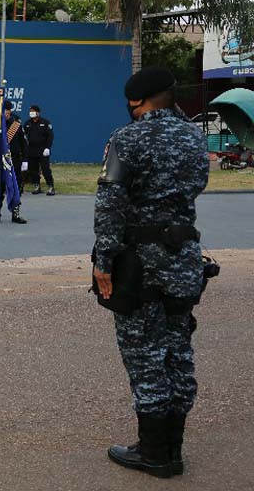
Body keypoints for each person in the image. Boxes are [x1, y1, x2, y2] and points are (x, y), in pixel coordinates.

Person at [93, 67, 208, 479]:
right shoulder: (195, 137)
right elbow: (195, 187)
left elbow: (110, 203)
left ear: (135, 101)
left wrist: (103, 259)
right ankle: (172, 449)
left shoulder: (128, 138)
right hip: (184, 258)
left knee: (145, 357)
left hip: (139, 262)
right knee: (178, 351)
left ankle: (154, 454)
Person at [0, 101, 27, 225]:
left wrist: (25, 160)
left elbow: (23, 144)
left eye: (7, 110)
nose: (5, 112)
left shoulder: (16, 124)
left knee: (15, 186)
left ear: (10, 110)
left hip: (14, 160)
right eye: (3, 110)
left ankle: (16, 213)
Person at [23, 104, 56, 196]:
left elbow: (50, 136)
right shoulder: (27, 124)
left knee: (45, 169)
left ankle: (50, 186)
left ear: (38, 112)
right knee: (33, 170)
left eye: (33, 111)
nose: (31, 113)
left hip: (43, 150)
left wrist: (47, 148)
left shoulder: (45, 123)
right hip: (32, 150)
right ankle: (37, 185)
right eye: (30, 111)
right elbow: (24, 137)